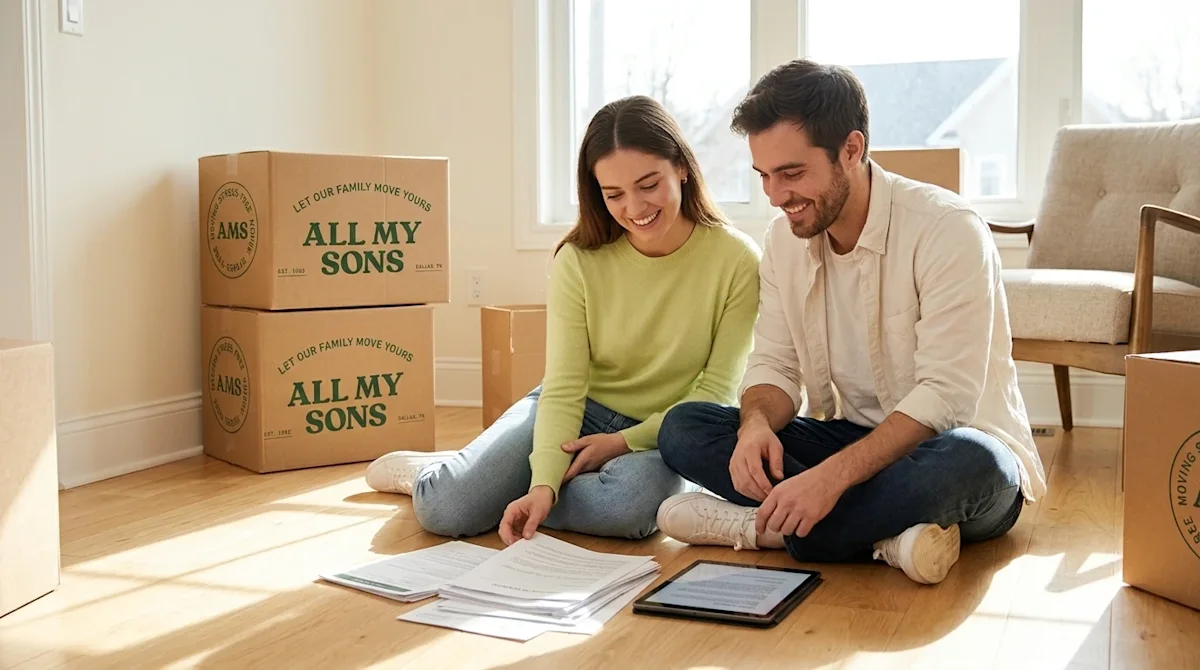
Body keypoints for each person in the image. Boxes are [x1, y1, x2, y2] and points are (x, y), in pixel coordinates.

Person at [653, 60, 1048, 585]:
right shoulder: (782, 242)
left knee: (977, 462)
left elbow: (946, 397)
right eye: (764, 176)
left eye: (792, 174)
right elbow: (773, 363)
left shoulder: (948, 230)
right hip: (850, 440)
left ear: (852, 150)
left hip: (946, 450)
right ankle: (878, 536)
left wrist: (829, 481)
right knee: (684, 427)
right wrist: (753, 428)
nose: (775, 196)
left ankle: (768, 527)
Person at [364, 95, 762, 545]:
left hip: (664, 428)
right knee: (446, 507)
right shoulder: (579, 259)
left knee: (627, 508)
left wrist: (620, 443)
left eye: (649, 184)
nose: (634, 207)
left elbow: (716, 392)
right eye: (614, 194)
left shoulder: (737, 260)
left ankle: (491, 481)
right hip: (579, 409)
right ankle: (455, 475)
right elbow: (565, 386)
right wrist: (542, 485)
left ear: (682, 168)